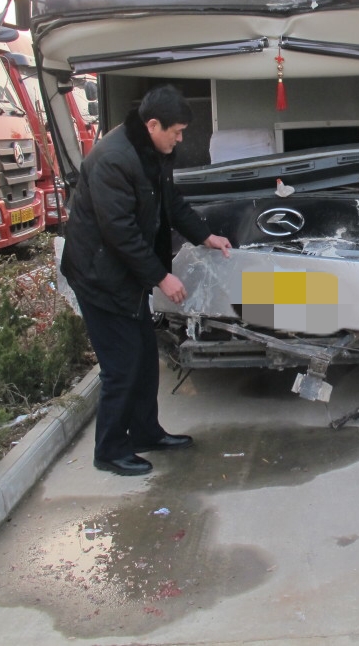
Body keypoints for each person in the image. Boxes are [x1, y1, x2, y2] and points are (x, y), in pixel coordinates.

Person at [61, 84, 233, 476]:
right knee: (121, 366)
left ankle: (144, 433)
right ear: (153, 125)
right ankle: (109, 450)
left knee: (143, 360)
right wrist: (161, 277)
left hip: (125, 276)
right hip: (99, 277)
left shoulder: (152, 152)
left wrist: (205, 235)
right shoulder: (113, 160)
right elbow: (119, 232)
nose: (181, 138)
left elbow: (171, 203)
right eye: (177, 131)